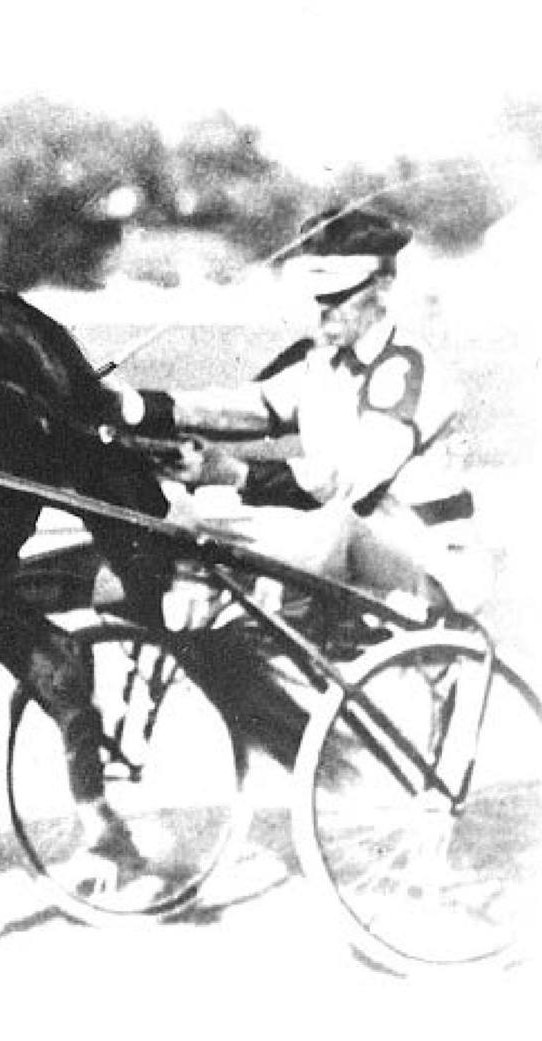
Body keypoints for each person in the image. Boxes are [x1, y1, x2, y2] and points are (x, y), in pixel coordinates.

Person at [116, 206, 492, 764]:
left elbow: (349, 480)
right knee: (196, 520)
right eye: (316, 299)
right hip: (354, 547)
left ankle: (258, 626)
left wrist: (238, 473)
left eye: (337, 296)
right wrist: (144, 407)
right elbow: (253, 407)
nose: (324, 311)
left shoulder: (407, 370)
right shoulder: (325, 362)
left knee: (322, 519)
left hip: (427, 562)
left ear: (383, 285)